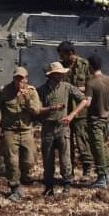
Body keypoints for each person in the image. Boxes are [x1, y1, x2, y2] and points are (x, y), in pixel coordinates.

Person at [0, 66, 42, 201]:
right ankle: (15, 187)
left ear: (26, 79)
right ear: (13, 79)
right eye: (17, 79)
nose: (19, 82)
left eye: (22, 79)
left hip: (26, 130)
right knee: (11, 161)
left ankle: (24, 177)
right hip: (9, 130)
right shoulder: (4, 91)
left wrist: (27, 100)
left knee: (29, 159)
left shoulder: (31, 92)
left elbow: (36, 110)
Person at [36, 61, 89, 196]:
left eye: (61, 74)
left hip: (62, 127)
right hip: (48, 127)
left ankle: (67, 184)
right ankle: (49, 186)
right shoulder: (41, 90)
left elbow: (84, 100)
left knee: (65, 158)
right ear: (51, 75)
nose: (60, 76)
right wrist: (50, 108)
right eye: (58, 74)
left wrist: (72, 115)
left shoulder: (67, 87)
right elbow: (36, 109)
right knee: (48, 159)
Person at [84, 55, 109, 189]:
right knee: (102, 147)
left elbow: (88, 102)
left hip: (95, 121)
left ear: (90, 66)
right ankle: (107, 174)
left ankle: (102, 177)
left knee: (98, 148)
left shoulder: (91, 82)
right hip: (107, 119)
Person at [58, 41, 93, 179]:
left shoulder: (85, 65)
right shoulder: (61, 67)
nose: (61, 58)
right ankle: (69, 171)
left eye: (63, 55)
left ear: (71, 54)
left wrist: (77, 89)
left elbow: (91, 85)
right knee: (66, 142)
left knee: (82, 140)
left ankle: (87, 169)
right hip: (66, 109)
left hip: (80, 110)